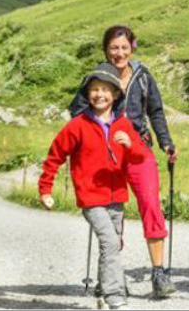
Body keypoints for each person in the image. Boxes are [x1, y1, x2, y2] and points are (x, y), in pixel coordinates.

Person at [68, 25, 177, 298]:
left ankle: (159, 273)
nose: (119, 53)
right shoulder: (96, 79)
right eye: (113, 48)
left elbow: (155, 111)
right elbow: (77, 112)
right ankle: (111, 277)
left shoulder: (143, 77)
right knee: (110, 214)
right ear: (106, 49)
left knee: (151, 204)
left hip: (139, 150)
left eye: (124, 47)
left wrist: (165, 142)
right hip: (106, 153)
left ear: (132, 48)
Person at [39, 64, 146, 310]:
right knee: (110, 242)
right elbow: (55, 156)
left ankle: (101, 288)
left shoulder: (123, 124)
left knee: (114, 243)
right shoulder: (77, 125)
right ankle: (114, 296)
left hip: (117, 195)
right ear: (87, 94)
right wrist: (45, 189)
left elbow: (140, 157)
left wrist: (131, 145)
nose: (99, 94)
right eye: (94, 89)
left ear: (115, 94)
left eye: (105, 90)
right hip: (90, 197)